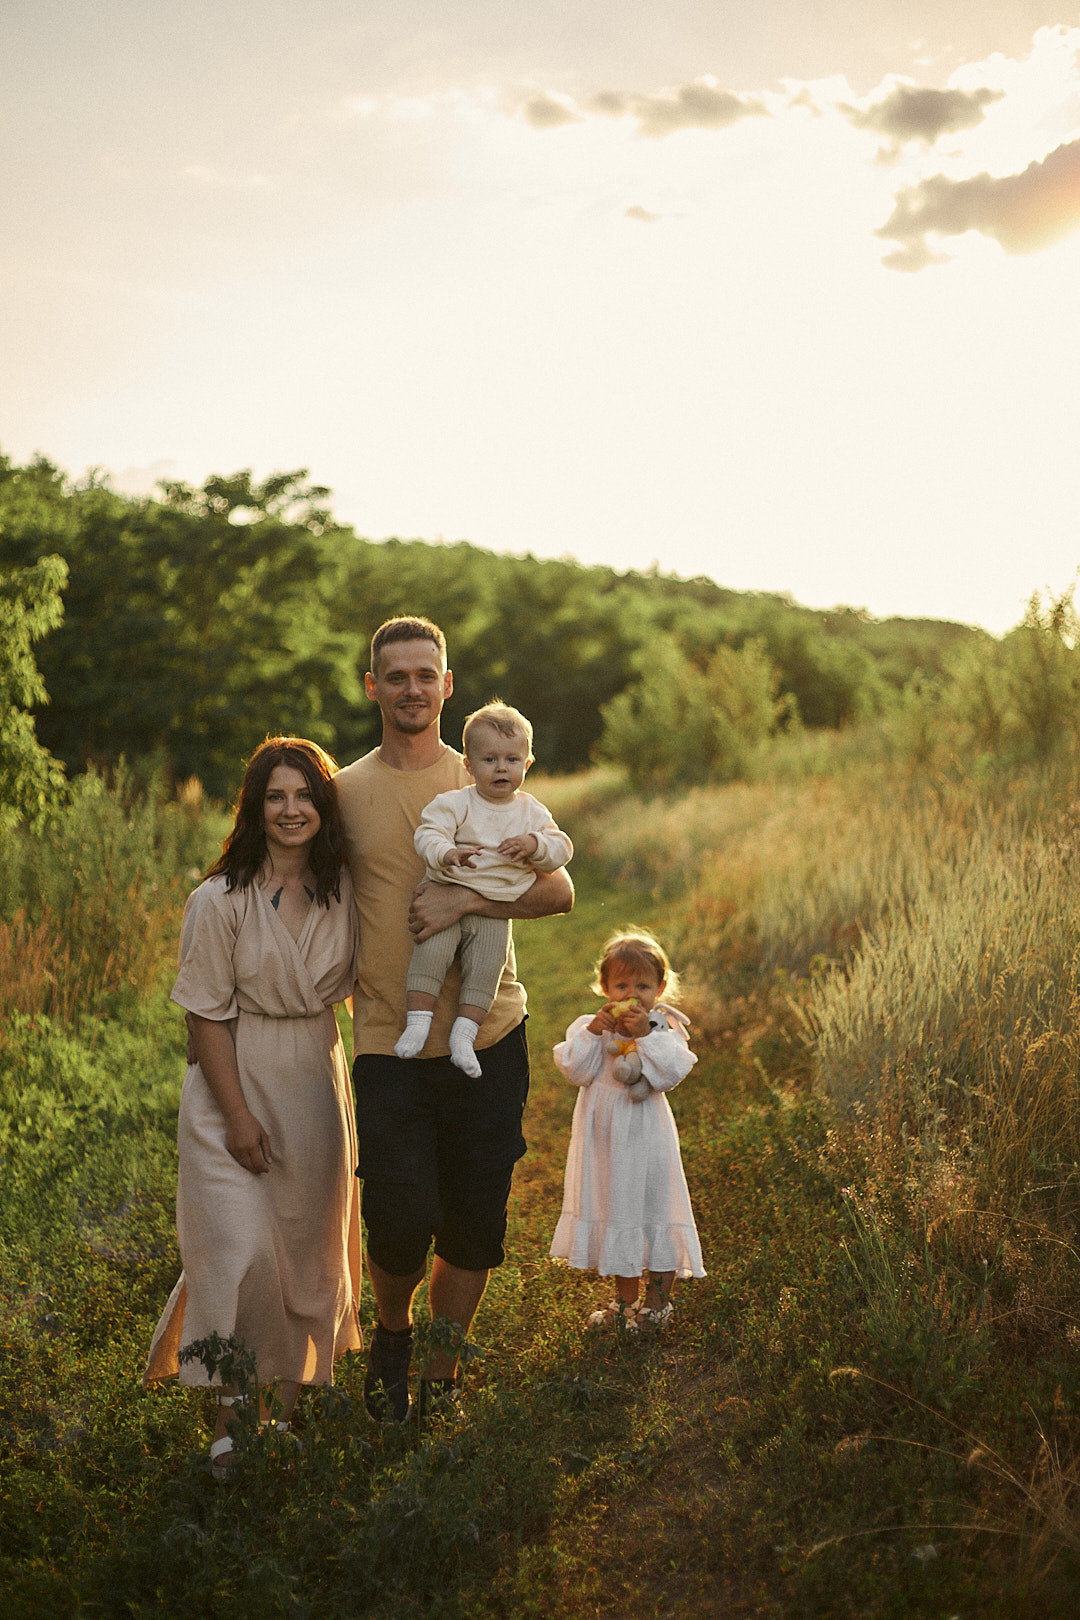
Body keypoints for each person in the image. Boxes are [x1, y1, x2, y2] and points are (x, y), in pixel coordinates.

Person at [334, 617, 574, 1421]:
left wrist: (467, 897)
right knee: (398, 1216)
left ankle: (442, 1375)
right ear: (373, 686)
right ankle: (394, 1336)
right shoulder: (345, 792)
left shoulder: (488, 780)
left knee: (475, 1221)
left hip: (491, 1031)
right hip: (386, 1039)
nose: (411, 688)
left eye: (425, 674)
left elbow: (558, 891)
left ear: (446, 685)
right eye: (395, 675)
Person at [144, 737, 362, 1480]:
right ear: (255, 806)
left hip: (312, 1075)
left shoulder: (345, 890)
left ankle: (284, 1421)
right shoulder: (219, 899)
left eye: (304, 795)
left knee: (304, 1256)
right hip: (230, 1079)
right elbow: (203, 1015)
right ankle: (230, 1426)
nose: (291, 809)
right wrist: (237, 1118)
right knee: (234, 1254)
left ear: (323, 804)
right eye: (276, 796)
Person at [395, 700, 573, 1078]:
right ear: (468, 765)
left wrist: (534, 845)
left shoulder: (531, 813)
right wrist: (447, 853)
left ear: (526, 764)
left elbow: (561, 849)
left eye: (511, 760)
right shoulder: (457, 803)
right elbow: (428, 833)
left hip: (497, 904)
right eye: (490, 759)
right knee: (431, 953)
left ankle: (465, 1033)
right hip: (446, 887)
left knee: (486, 969)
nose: (501, 768)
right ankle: (418, 1022)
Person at [550, 930, 705, 1330]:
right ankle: (625, 1303)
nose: (632, 994)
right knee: (618, 1209)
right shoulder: (590, 1026)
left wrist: (644, 1036)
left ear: (661, 988)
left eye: (643, 986)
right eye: (622, 985)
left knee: (654, 1207)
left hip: (647, 1139)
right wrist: (593, 1033)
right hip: (605, 1143)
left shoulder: (661, 1028)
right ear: (604, 988)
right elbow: (575, 1069)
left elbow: (671, 1071)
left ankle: (657, 1307)